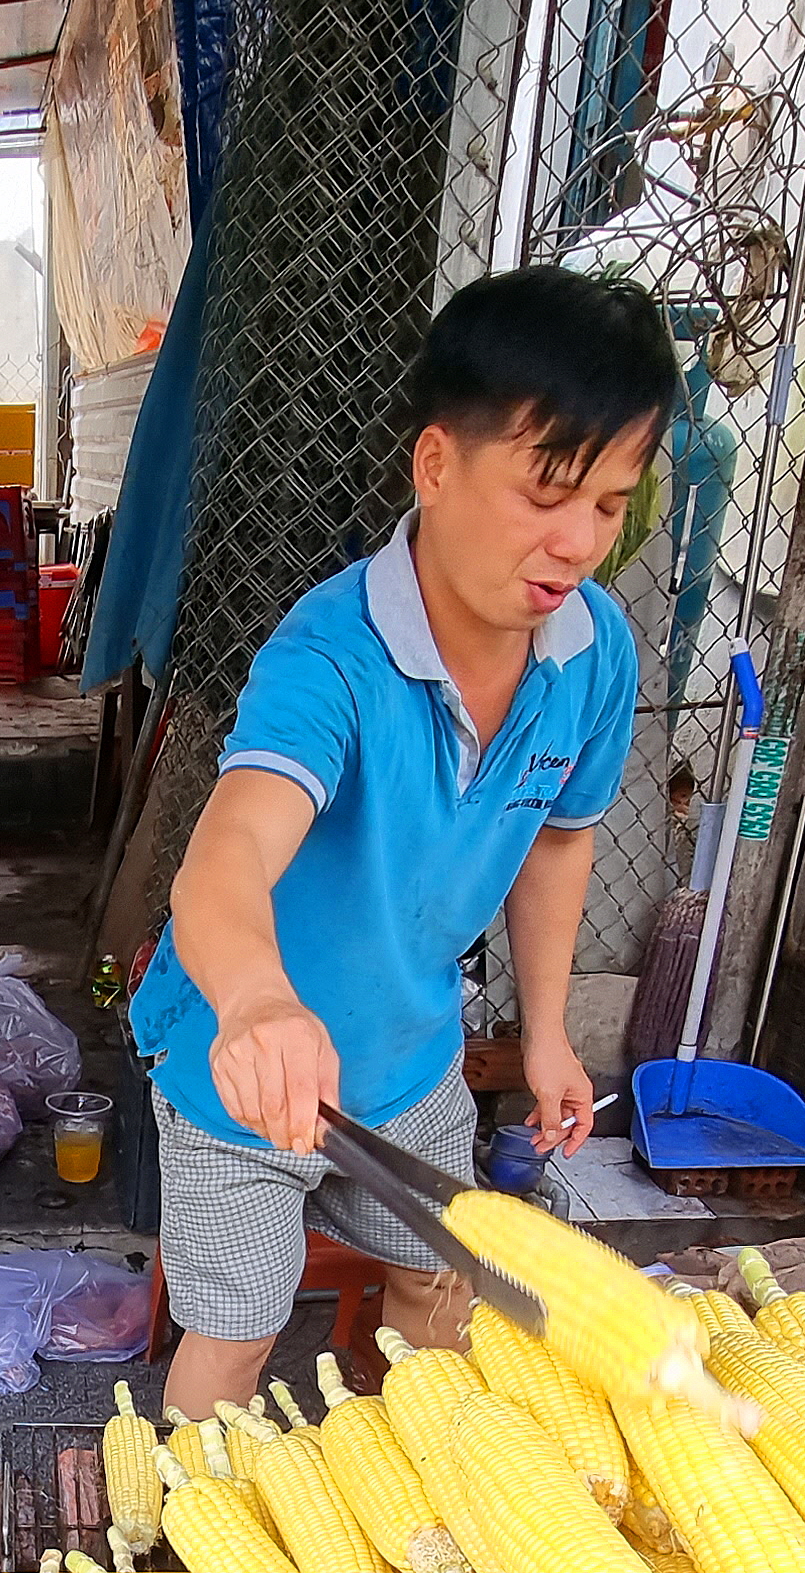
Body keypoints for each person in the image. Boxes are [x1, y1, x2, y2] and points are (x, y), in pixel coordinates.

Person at [130, 265, 679, 1420]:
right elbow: (222, 860)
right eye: (547, 492)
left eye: (611, 504)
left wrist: (545, 1034)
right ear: (436, 464)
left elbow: (556, 845)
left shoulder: (594, 654)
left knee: (443, 1287)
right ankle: (179, 1549)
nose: (578, 541)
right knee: (236, 1336)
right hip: (243, 1073)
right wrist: (258, 1004)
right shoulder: (330, 657)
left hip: (411, 1065)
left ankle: (405, 1484)